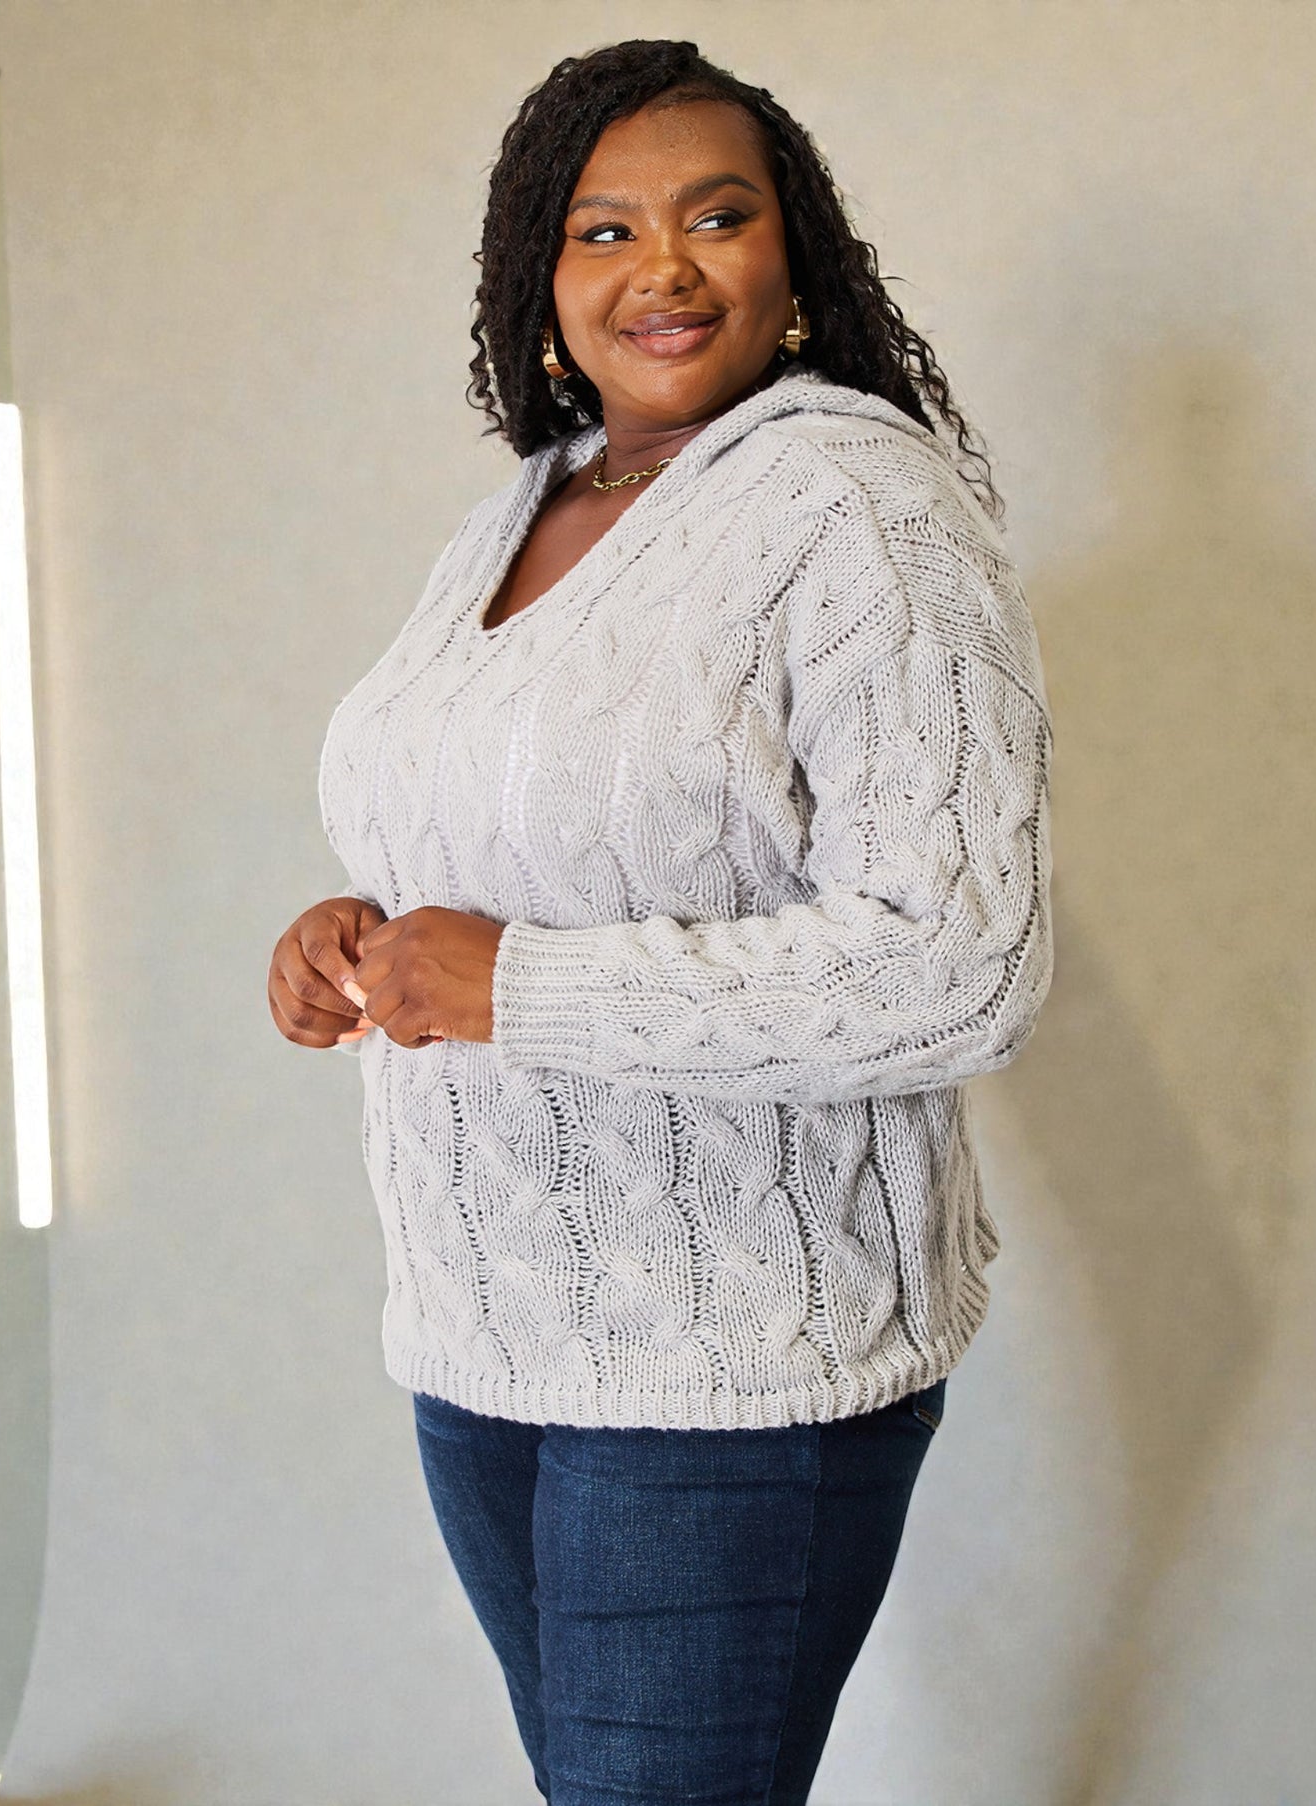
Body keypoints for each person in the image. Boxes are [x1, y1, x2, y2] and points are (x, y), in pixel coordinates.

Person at [267, 38, 1053, 1806]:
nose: (664, 268)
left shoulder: (857, 504)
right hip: (486, 1330)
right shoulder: (522, 508)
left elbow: (960, 961)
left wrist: (514, 984)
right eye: (604, 230)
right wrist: (349, 929)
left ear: (795, 258)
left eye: (717, 216)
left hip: (734, 1360)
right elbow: (514, 838)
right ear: (541, 281)